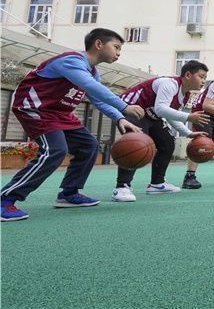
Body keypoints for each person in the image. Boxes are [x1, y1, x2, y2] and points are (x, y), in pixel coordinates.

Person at [1, 28, 144, 222]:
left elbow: (98, 100)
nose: (119, 53)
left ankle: (69, 193)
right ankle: (6, 198)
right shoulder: (71, 60)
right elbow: (91, 87)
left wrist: (120, 118)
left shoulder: (93, 72)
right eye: (116, 47)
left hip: (60, 113)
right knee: (55, 150)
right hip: (36, 108)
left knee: (89, 146)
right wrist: (124, 106)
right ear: (99, 44)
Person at [112, 61, 211, 202]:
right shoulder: (169, 84)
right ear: (188, 75)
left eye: (205, 78)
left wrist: (187, 132)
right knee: (135, 144)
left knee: (168, 142)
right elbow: (161, 109)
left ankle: (157, 184)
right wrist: (189, 116)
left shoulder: (185, 94)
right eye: (201, 77)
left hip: (151, 115)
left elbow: (169, 115)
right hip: (130, 109)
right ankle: (121, 187)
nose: (203, 81)